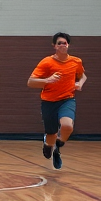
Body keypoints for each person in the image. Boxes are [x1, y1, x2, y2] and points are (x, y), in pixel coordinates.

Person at [28, 32, 87, 170]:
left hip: (67, 99)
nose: (62, 45)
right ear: (54, 46)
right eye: (59, 43)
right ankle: (50, 146)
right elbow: (30, 82)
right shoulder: (47, 62)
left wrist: (80, 84)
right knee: (51, 134)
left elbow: (83, 75)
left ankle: (59, 145)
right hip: (49, 102)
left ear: (68, 45)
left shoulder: (76, 61)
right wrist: (47, 80)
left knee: (67, 126)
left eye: (64, 43)